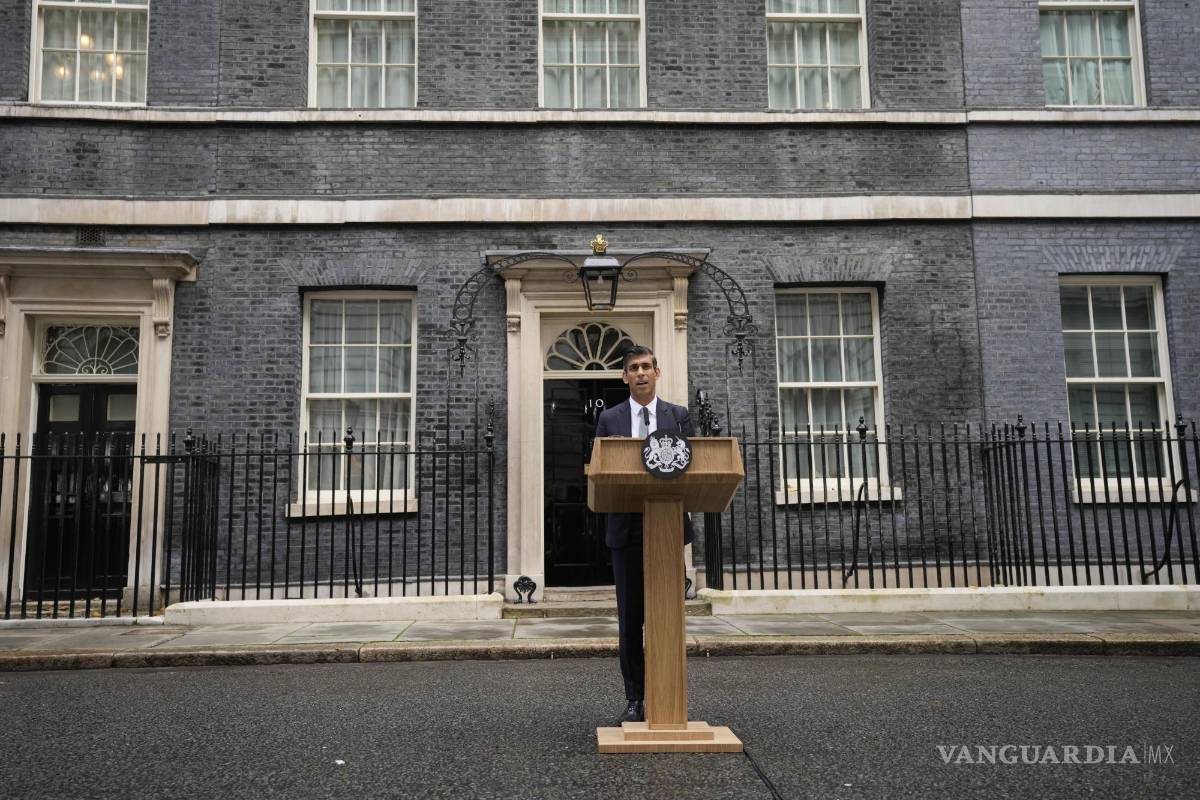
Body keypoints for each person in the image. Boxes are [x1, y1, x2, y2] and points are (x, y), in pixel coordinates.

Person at [592, 344, 695, 724]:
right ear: (624, 376)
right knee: (630, 619)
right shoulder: (609, 419)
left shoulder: (679, 417)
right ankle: (635, 698)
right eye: (633, 368)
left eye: (646, 366)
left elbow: (694, 466)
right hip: (627, 529)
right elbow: (599, 470)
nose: (640, 373)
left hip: (667, 526)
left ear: (657, 372)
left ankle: (668, 696)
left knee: (666, 617)